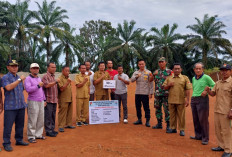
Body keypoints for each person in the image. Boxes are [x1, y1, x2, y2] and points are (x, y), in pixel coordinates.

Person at [2, 60, 29, 152]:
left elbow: (21, 90)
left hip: (20, 105)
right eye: (12, 66)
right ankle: (6, 143)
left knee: (20, 125)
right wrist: (19, 80)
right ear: (8, 67)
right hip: (10, 107)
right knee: (8, 126)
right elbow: (8, 88)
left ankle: (19, 140)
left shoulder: (18, 77)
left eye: (16, 66)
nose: (14, 67)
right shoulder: (5, 77)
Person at [206, 64, 232, 157]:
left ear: (230, 71)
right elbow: (213, 94)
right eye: (222, 70)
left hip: (226, 111)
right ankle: (221, 146)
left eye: (226, 70)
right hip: (217, 110)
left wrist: (231, 110)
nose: (224, 72)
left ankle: (228, 150)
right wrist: (208, 90)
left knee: (226, 131)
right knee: (218, 130)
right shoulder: (218, 83)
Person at [163, 63, 192, 136]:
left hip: (181, 100)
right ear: (173, 70)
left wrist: (188, 100)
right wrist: (168, 85)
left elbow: (188, 89)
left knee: (181, 116)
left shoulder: (185, 78)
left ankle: (182, 129)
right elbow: (164, 87)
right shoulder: (169, 78)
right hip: (171, 99)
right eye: (175, 68)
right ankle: (173, 128)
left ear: (181, 69)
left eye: (178, 68)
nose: (177, 70)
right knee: (172, 115)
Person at [190, 62, 215, 145]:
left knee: (203, 120)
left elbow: (214, 85)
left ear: (202, 69)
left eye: (199, 68)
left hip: (202, 100)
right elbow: (194, 88)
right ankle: (198, 135)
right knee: (195, 119)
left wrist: (206, 90)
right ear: (194, 70)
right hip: (194, 99)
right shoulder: (193, 78)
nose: (198, 70)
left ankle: (205, 138)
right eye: (196, 68)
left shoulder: (206, 77)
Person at [24, 63, 46, 143]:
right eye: (34, 68)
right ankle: (31, 136)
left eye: (37, 68)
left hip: (41, 101)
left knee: (40, 119)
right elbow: (28, 89)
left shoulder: (39, 78)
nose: (35, 69)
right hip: (32, 101)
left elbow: (41, 90)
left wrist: (44, 99)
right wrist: (38, 86)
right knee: (32, 119)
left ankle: (38, 134)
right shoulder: (28, 79)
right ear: (30, 69)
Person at [150, 57, 172, 130]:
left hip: (166, 94)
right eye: (159, 62)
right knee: (157, 109)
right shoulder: (156, 72)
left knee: (167, 110)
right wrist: (153, 74)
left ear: (165, 62)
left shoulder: (169, 72)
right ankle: (159, 124)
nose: (161, 63)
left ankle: (168, 125)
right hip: (157, 94)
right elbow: (150, 80)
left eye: (162, 62)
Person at [131, 59, 153, 127]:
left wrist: (151, 93)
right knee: (138, 107)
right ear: (138, 65)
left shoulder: (148, 72)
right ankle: (139, 119)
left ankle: (147, 121)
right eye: (140, 64)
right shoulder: (136, 72)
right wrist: (137, 76)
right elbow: (132, 80)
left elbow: (151, 83)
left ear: (144, 64)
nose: (141, 65)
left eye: (142, 64)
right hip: (137, 92)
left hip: (145, 93)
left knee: (146, 107)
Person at [42, 62, 60, 137]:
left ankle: (52, 129)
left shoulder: (53, 77)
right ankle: (48, 131)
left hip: (54, 99)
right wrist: (56, 82)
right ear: (48, 68)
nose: (54, 69)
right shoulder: (45, 77)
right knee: (48, 116)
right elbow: (46, 85)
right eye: (52, 67)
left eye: (55, 67)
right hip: (48, 99)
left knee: (53, 115)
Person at [57, 66, 75, 132]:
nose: (68, 72)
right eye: (66, 71)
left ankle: (68, 124)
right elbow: (61, 89)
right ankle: (61, 126)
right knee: (62, 112)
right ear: (62, 71)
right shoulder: (60, 78)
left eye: (68, 71)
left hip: (69, 98)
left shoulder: (68, 78)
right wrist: (67, 82)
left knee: (69, 112)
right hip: (63, 98)